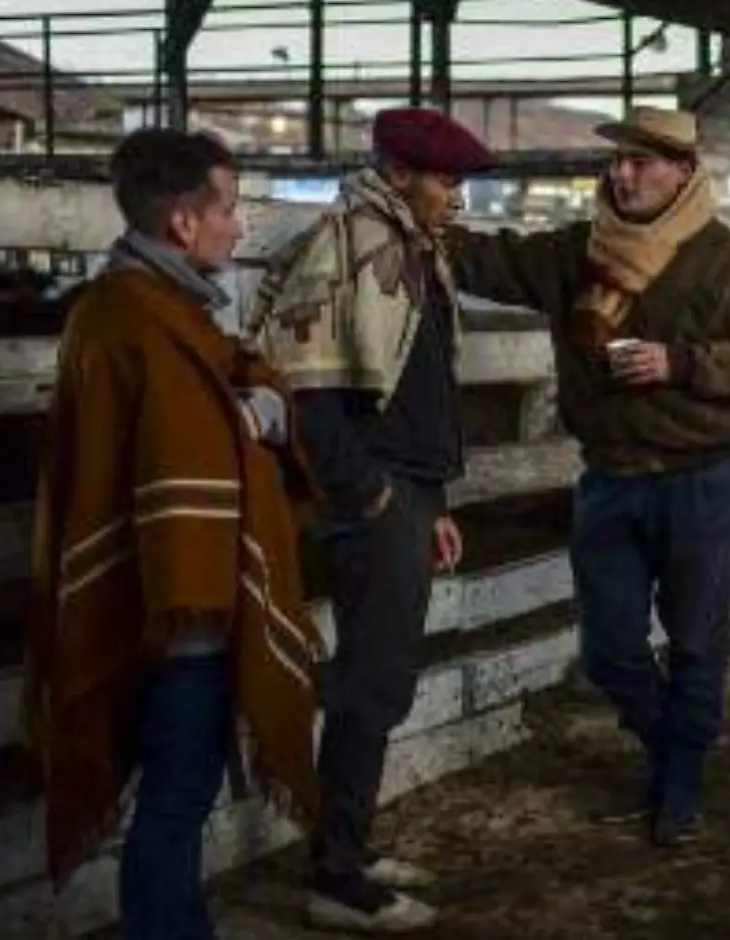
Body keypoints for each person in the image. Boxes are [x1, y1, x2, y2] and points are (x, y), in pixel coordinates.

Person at [445, 105, 730, 847]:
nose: (623, 173)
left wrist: (681, 363)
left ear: (683, 173)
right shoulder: (578, 253)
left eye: (643, 162)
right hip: (609, 477)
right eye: (619, 160)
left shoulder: (728, 261)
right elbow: (488, 260)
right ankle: (673, 741)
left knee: (697, 638)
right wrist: (410, 219)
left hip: (699, 476)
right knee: (608, 647)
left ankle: (681, 781)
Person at [22, 128, 322, 940]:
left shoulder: (153, 310)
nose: (238, 226)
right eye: (226, 209)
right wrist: (249, 419)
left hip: (170, 598)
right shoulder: (134, 317)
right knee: (175, 804)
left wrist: (252, 405)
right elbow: (195, 443)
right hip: (178, 610)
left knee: (177, 803)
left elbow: (231, 390)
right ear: (184, 224)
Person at [244, 106, 492, 932]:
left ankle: (347, 845)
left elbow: (419, 388)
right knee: (370, 684)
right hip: (376, 492)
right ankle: (337, 875)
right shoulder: (348, 242)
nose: (458, 196)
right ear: (401, 174)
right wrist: (374, 495)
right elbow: (304, 386)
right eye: (447, 180)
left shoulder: (417, 251)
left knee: (380, 681)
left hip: (407, 489)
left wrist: (434, 500)